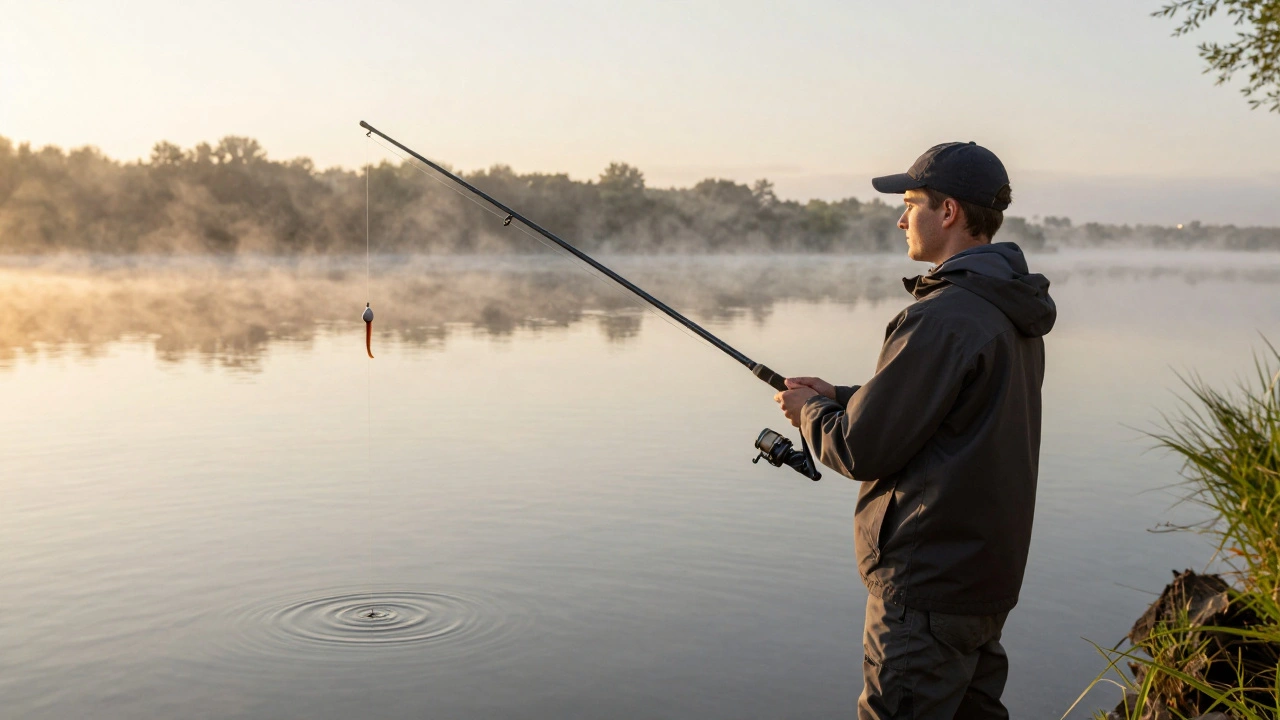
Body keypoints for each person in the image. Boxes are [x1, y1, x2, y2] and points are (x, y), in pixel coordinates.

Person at [774, 142, 1056, 719]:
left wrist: (808, 412)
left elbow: (859, 448)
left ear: (948, 211)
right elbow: (959, 413)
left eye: (910, 203)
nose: (901, 219)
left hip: (926, 587)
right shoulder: (1008, 307)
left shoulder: (941, 315)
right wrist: (844, 396)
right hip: (982, 578)